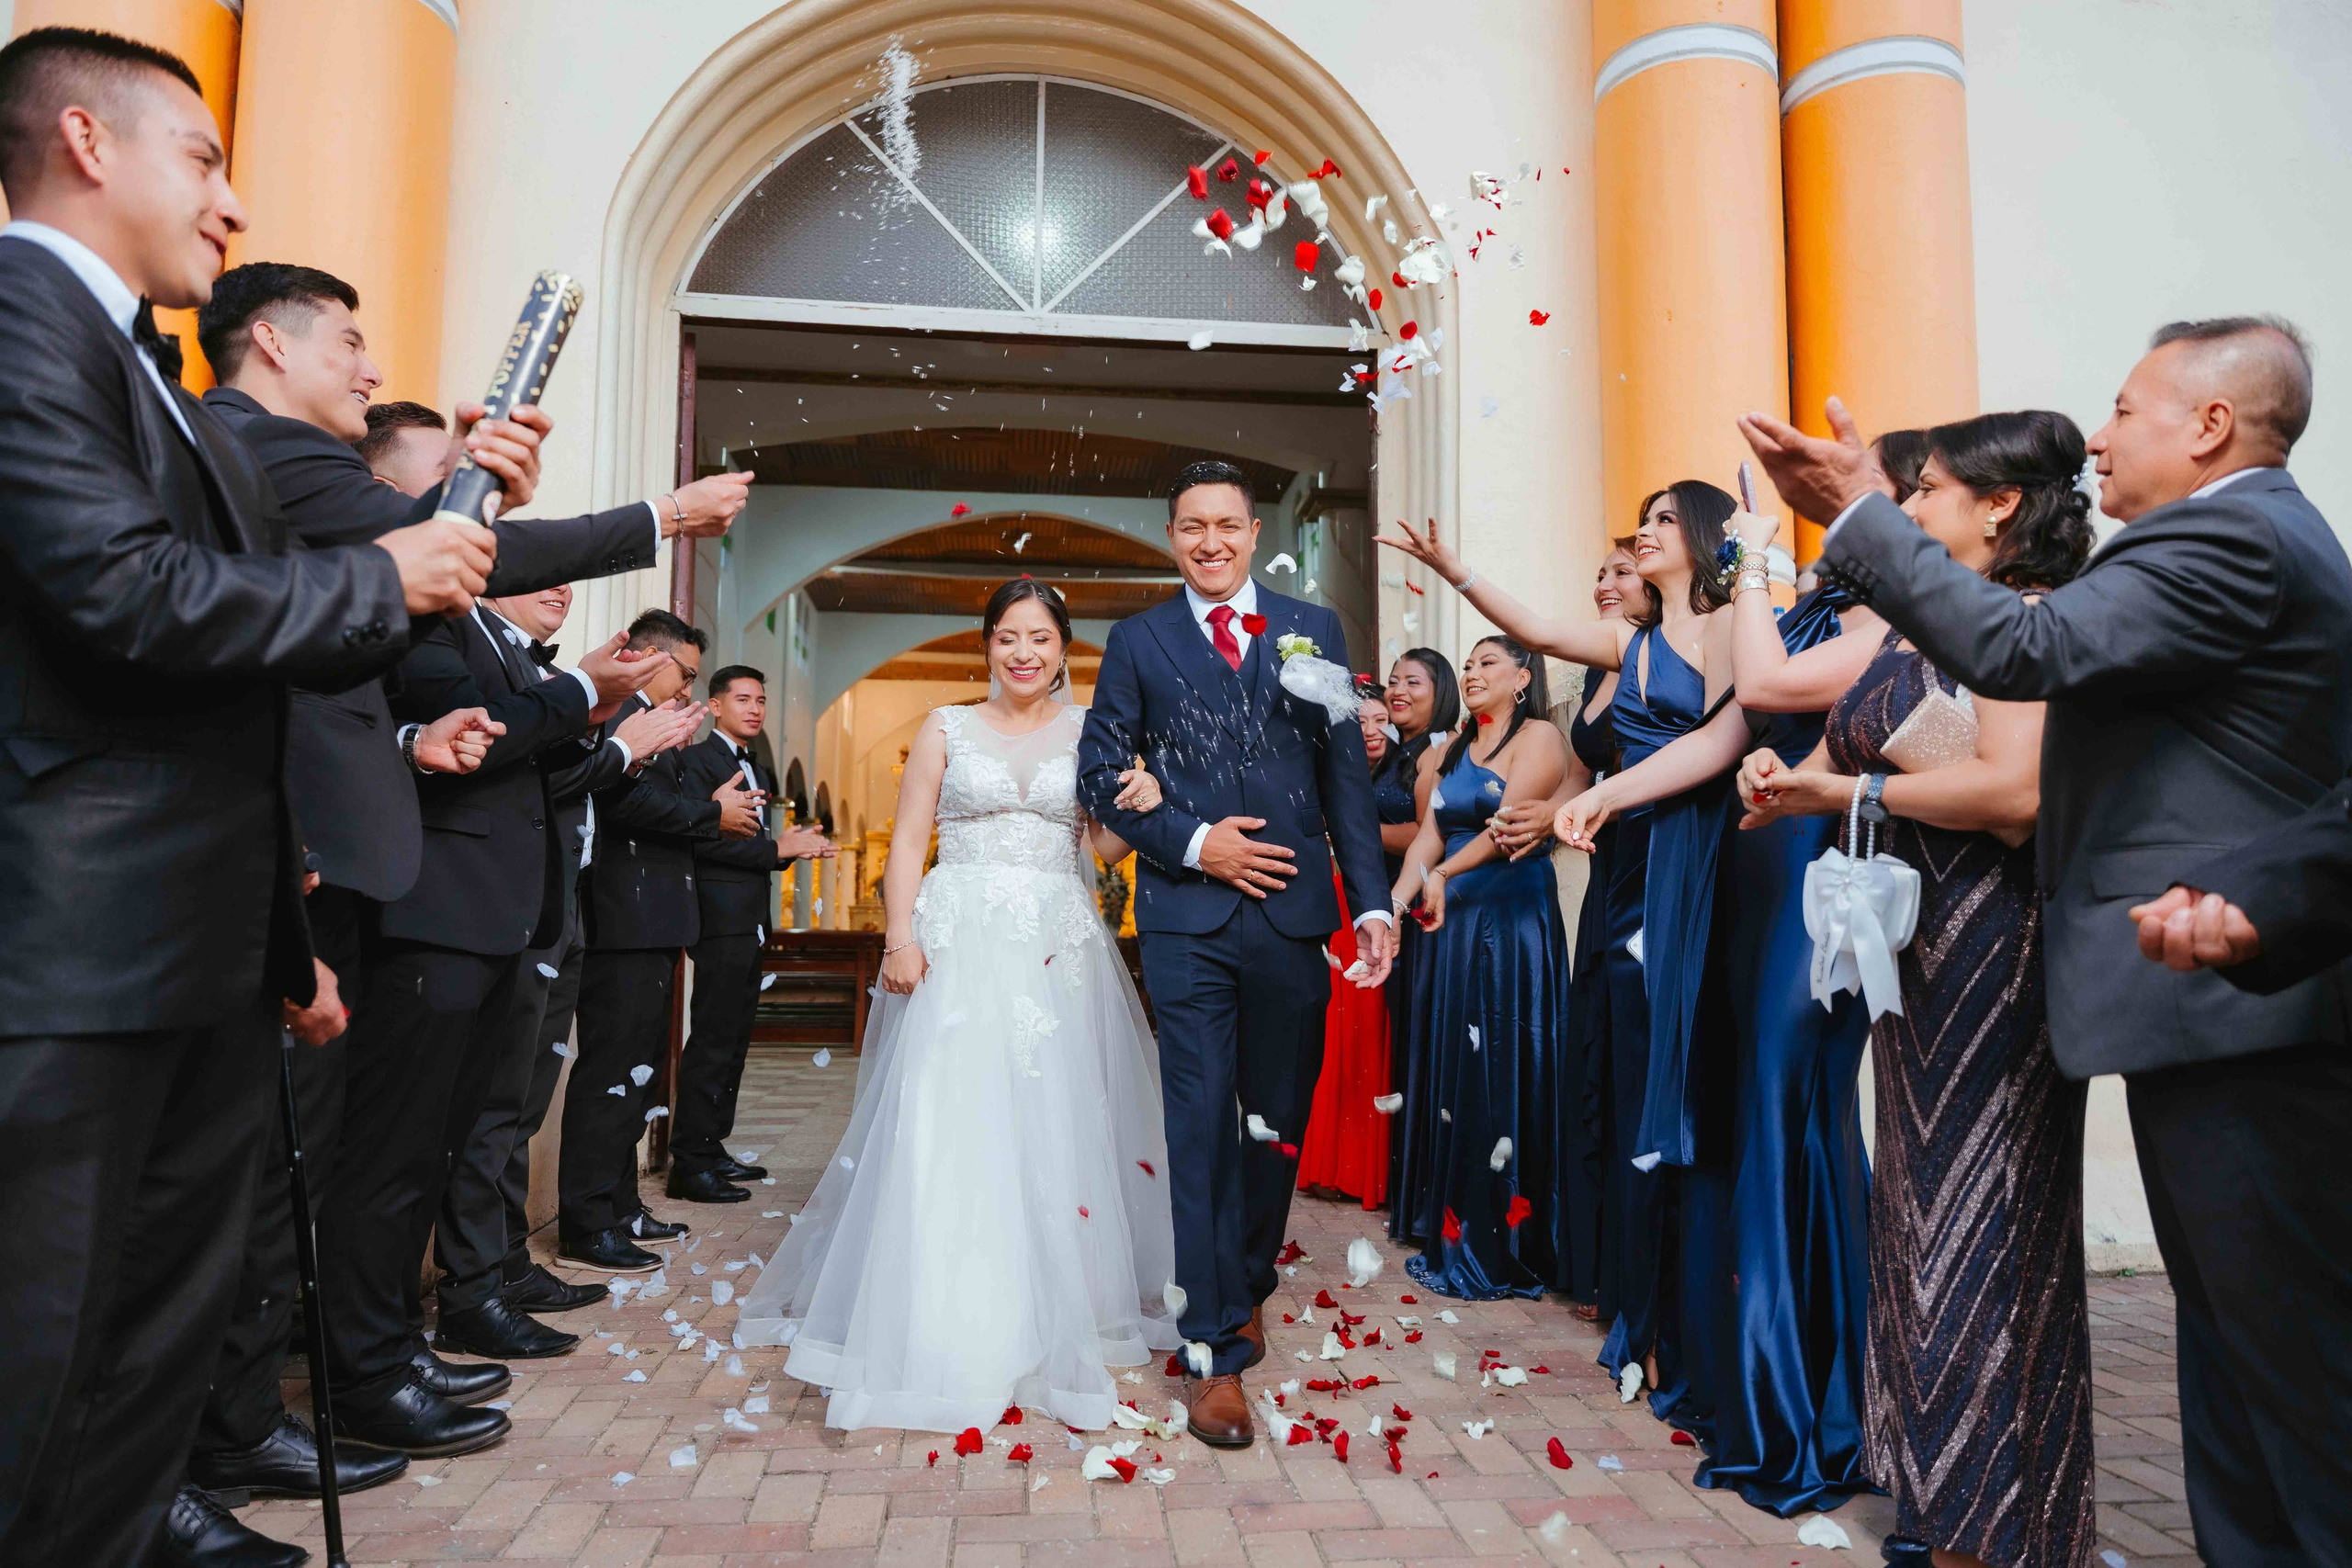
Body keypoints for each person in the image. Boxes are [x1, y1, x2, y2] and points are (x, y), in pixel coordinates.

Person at [1742, 316, 2352, 1565]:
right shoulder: (2235, 535)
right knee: (2238, 1372)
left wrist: (1867, 519)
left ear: (2210, 425)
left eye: (2126, 407)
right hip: (2205, 991)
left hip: (2245, 1004)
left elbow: (2026, 651)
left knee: (2292, 1384)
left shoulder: (2234, 529)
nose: (2100, 433)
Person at [0, 27, 490, 1567]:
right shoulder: (20, 318)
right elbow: (123, 593)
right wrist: (375, 576)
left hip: (186, 946)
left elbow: (223, 701)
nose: (229, 203)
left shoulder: (133, 361)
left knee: (140, 1353)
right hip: (76, 951)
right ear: (87, 140)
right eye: (204, 159)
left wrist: (281, 957)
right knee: (46, 1360)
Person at [1737, 410, 2098, 1566]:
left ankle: (2000, 1517)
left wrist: (1855, 799)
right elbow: (1860, 749)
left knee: (1988, 1230)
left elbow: (2012, 794)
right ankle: (1948, 1499)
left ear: (1999, 508)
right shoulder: (1910, 626)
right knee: (1916, 1221)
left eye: (1930, 488)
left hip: (1998, 949)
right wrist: (1794, 779)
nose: (1912, 507)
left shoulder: (2027, 622)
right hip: (1915, 952)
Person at [738, 578, 1180, 1432]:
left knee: (1053, 1117)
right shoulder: (946, 727)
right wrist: (901, 935)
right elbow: (909, 837)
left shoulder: (1092, 732)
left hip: (1055, 944)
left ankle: (1055, 1303)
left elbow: (1101, 846)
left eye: (1041, 639)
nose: (1024, 653)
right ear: (986, 645)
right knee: (951, 1110)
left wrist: (1144, 802)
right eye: (1009, 637)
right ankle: (940, 1301)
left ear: (1064, 650)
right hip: (959, 935)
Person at [1383, 486, 1738, 1416]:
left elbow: (1732, 740)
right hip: (1623, 867)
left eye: (1659, 523)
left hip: (1696, 858)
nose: (1640, 539)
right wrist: (1449, 567)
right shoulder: (1632, 645)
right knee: (1621, 1073)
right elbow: (1535, 625)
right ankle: (1631, 1301)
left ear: (1699, 540)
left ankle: (1690, 1312)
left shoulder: (1743, 628)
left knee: (1684, 1072)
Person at [1076, 459, 1395, 1448]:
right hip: (1186, 921)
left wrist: (1371, 905)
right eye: (1189, 528)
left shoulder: (1317, 630)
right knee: (1200, 1124)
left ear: (1254, 533)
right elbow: (1098, 770)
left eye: (1224, 525)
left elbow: (1344, 777)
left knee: (1274, 1126)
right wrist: (1191, 839)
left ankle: (1244, 1278)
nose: (1208, 542)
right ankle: (1212, 1344)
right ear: (1172, 538)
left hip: (1295, 920)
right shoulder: (1138, 641)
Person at [427, 582, 705, 1332]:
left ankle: (506, 1262)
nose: (561, 586)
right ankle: (476, 1285)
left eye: (566, 574)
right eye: (538, 571)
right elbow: (539, 780)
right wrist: (621, 749)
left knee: (524, 1096)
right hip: (511, 904)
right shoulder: (483, 660)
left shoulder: (542, 676)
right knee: (497, 1106)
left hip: (562, 900)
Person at [561, 614, 756, 1264]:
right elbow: (622, 802)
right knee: (611, 1076)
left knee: (637, 1077)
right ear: (650, 656)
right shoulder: (621, 713)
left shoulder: (660, 723)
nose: (687, 687)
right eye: (688, 673)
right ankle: (589, 1223)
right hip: (624, 918)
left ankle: (618, 1206)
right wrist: (712, 813)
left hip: (655, 919)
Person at [1388, 637, 1573, 1297]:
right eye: (1466, 664)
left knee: (1502, 1061)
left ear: (1524, 677)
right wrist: (1389, 908)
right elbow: (1427, 839)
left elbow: (1506, 829)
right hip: (1451, 920)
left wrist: (1440, 874)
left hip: (1511, 919)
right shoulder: (1456, 751)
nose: (1470, 672)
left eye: (1486, 663)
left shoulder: (1542, 739)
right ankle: (1456, 1222)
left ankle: (1508, 1239)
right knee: (1457, 1071)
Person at [673, 665, 834, 1196]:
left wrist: (790, 845)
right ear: (714, 706)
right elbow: (703, 839)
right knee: (712, 1041)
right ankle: (689, 1163)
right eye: (742, 699)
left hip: (749, 919)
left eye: (761, 700)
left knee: (736, 1040)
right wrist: (777, 849)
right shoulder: (696, 763)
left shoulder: (758, 767)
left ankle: (713, 1147)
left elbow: (754, 846)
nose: (755, 709)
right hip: (718, 919)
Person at [1296, 680, 1396, 1209]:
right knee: (1332, 1033)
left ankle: (1360, 1166)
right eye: (1361, 721)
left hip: (1371, 913)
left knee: (1364, 1037)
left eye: (1381, 720)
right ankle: (1325, 1160)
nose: (1372, 730)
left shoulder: (1406, 772)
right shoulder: (1324, 772)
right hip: (1334, 906)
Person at [1375, 648, 1458, 1211]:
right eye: (1392, 681)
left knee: (1413, 1036)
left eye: (1413, 681)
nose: (1397, 689)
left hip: (1417, 911)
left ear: (1442, 689)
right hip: (1382, 905)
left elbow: (1430, 835)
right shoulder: (1393, 752)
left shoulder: (1438, 750)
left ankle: (1419, 1183)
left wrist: (1351, 831)